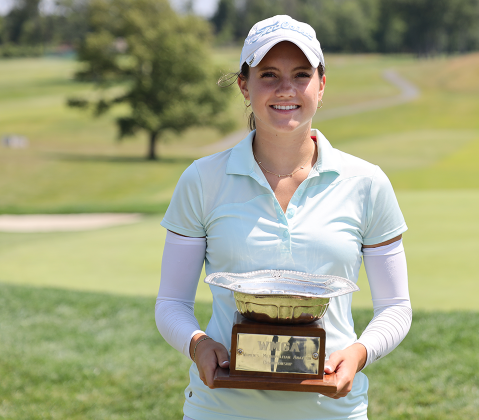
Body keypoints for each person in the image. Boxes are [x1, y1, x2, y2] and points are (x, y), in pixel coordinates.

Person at [155, 15, 412, 420]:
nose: (286, 89)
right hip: (221, 410)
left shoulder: (367, 182)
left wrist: (359, 353)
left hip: (331, 412)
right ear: (244, 85)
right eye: (269, 74)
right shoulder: (202, 179)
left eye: (301, 74)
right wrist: (198, 344)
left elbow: (396, 307)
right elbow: (171, 303)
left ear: (322, 85)